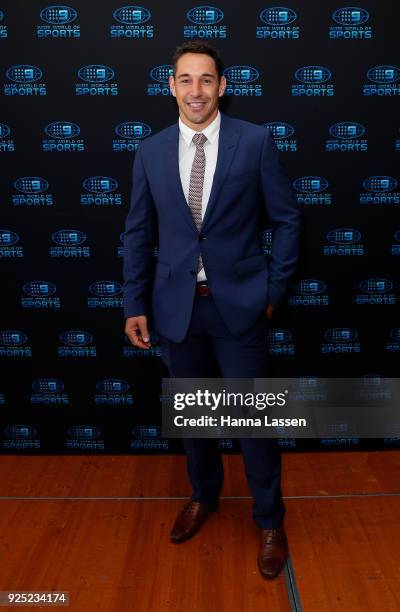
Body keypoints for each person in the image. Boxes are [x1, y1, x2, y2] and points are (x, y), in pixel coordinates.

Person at [123, 41, 300, 579]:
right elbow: (137, 233)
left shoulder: (256, 142)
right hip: (176, 312)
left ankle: (270, 519)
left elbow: (288, 220)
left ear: (222, 86)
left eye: (206, 80)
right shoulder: (150, 151)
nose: (195, 90)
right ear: (170, 87)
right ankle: (204, 496)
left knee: (252, 423)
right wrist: (134, 303)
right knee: (195, 420)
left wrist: (272, 293)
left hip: (241, 309)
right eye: (185, 80)